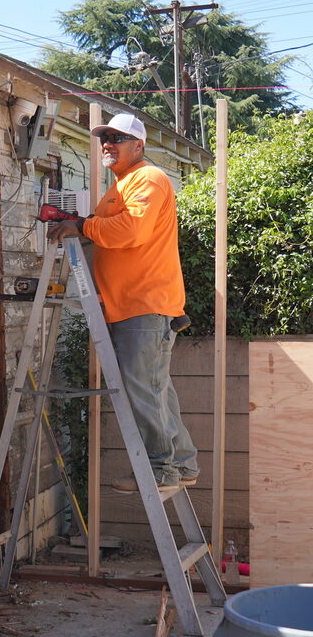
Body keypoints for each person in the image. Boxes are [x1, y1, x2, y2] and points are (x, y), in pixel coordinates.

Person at [47, 112, 199, 495]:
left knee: (142, 389)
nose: (107, 144)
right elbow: (110, 234)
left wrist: (82, 226)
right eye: (104, 138)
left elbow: (131, 230)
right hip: (133, 304)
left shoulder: (147, 178)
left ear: (139, 145)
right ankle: (183, 463)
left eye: (117, 137)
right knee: (155, 387)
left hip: (144, 304)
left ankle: (162, 469)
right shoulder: (123, 185)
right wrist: (83, 225)